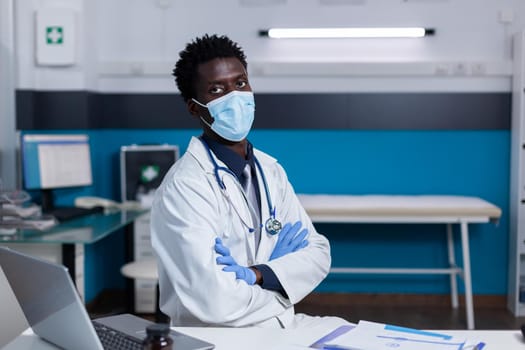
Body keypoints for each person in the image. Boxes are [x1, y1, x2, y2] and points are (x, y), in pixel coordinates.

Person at [151, 34, 348, 329]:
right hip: (217, 340)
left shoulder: (270, 172)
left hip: (280, 331)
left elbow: (318, 254)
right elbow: (216, 301)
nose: (234, 97)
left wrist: (258, 274)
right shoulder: (186, 187)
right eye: (216, 89)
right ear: (195, 108)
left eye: (240, 83)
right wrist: (283, 286)